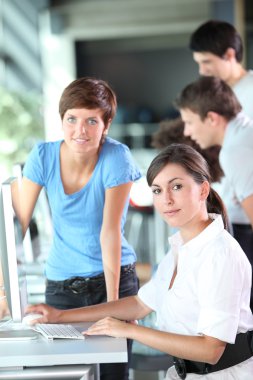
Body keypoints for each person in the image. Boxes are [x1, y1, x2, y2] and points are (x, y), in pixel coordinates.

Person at [26, 143, 253, 379]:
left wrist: (129, 330)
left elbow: (211, 349)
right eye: (157, 190)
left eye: (176, 186)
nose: (166, 199)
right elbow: (139, 304)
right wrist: (60, 316)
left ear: (203, 189)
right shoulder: (181, 248)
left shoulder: (219, 253)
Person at [12, 77, 142, 380]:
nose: (80, 131)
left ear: (106, 125)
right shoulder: (43, 156)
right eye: (71, 119)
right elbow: (16, 223)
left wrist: (113, 308)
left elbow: (109, 232)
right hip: (60, 286)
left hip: (114, 282)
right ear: (61, 120)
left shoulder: (116, 157)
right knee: (62, 374)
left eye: (91, 121)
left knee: (112, 375)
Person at [175, 75, 253, 311]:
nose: (187, 132)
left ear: (211, 118)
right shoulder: (244, 131)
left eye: (189, 122)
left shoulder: (234, 149)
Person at [189, 19, 253, 118]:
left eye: (206, 62)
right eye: (199, 63)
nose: (201, 71)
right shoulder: (217, 95)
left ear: (229, 55)